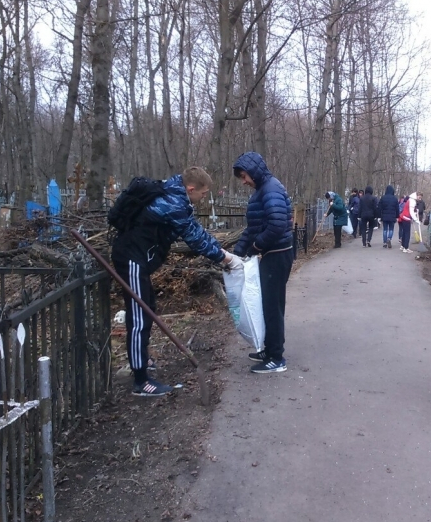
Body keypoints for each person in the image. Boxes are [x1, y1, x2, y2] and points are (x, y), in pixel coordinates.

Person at [111, 167, 243, 396]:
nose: (204, 198)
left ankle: (142, 360)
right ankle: (141, 381)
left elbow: (195, 230)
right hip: (132, 258)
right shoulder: (173, 203)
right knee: (140, 315)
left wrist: (221, 253)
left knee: (148, 307)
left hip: (140, 258)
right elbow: (195, 236)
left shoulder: (174, 194)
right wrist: (225, 257)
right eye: (202, 194)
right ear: (190, 189)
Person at [233, 152, 295, 374]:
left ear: (253, 171)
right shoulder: (263, 189)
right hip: (272, 253)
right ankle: (269, 350)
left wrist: (256, 247)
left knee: (273, 306)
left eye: (244, 176)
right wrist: (239, 252)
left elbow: (277, 224)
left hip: (277, 254)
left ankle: (276, 358)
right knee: (267, 304)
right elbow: (254, 227)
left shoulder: (270, 189)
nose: (244, 181)